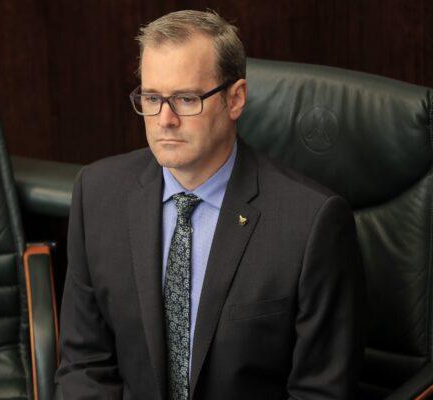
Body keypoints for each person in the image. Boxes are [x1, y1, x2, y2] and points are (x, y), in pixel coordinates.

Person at [56, 9, 364, 400]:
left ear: (235, 99)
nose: (165, 119)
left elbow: (321, 392)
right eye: (152, 98)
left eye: (186, 99)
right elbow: (85, 365)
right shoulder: (98, 194)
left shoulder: (310, 223)